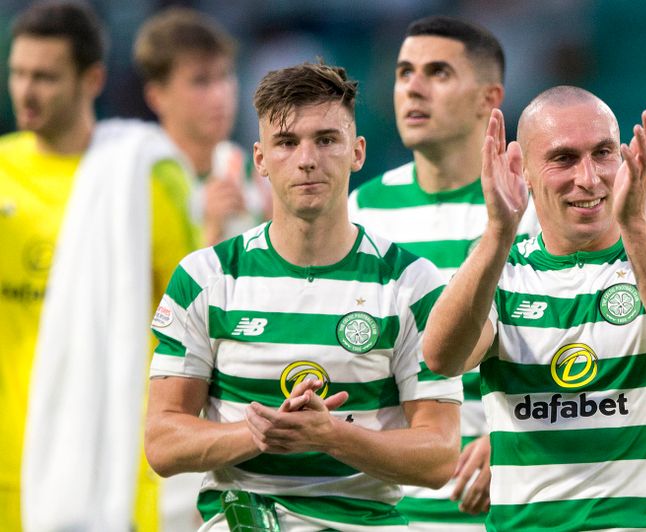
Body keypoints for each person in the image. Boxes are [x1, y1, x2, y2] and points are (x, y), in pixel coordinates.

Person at [144, 61, 462, 531]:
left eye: (326, 140)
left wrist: (331, 436)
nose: (307, 159)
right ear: (260, 159)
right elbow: (162, 442)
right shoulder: (205, 276)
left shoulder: (412, 283)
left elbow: (440, 456)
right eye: (287, 142)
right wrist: (259, 433)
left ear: (357, 152)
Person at [421, 87, 646, 531]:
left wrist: (636, 224)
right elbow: (442, 359)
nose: (589, 178)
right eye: (564, 159)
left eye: (603, 153)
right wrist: (498, 233)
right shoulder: (501, 273)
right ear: (522, 170)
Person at [0, 2, 200, 531]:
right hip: (5, 456)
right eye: (18, 73)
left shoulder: (142, 178)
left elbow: (191, 325)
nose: (26, 91)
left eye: (45, 77)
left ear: (91, 79)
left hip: (111, 460)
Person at [348, 15, 538, 529]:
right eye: (404, 72)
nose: (413, 87)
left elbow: (579, 341)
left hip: (506, 503)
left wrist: (516, 437)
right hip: (387, 507)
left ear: (488, 99)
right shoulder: (361, 210)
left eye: (438, 72)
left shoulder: (535, 208)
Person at [134, 7, 271, 246]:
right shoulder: (142, 178)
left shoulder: (253, 171)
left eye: (225, 75)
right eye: (200, 81)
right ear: (157, 96)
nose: (220, 95)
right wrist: (208, 233)